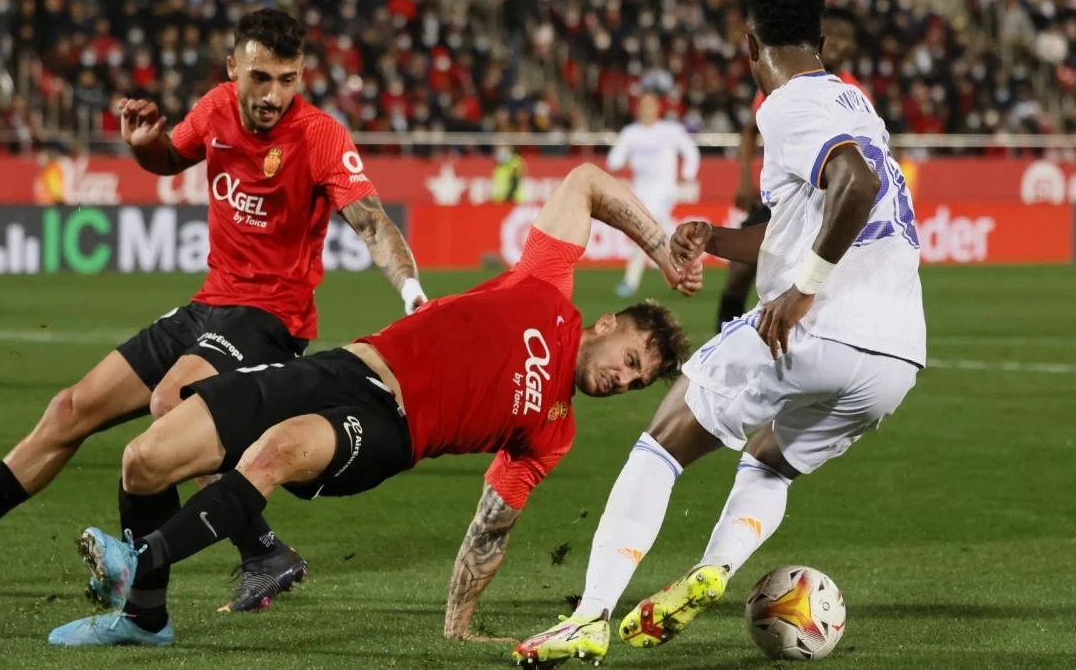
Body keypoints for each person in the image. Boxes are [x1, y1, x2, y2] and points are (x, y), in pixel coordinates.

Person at [0, 8, 426, 614]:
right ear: (233, 68)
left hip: (270, 317)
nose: (274, 95)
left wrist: (410, 290)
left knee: (172, 402)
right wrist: (145, 148)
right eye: (261, 78)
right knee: (71, 408)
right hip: (208, 305)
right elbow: (170, 157)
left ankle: (223, 559)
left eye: (288, 79)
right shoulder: (215, 107)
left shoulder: (320, 136)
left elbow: (371, 222)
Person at [43, 162, 701, 647]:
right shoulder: (547, 285)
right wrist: (661, 249)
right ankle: (145, 617)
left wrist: (459, 623)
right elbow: (585, 181)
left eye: (637, 382)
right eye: (631, 360)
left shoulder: (555, 431)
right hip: (345, 365)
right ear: (607, 325)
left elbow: (491, 525)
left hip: (388, 429)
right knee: (145, 459)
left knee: (275, 452)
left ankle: (140, 562)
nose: (623, 380)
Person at [514, 0, 925, 664]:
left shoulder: (789, 103)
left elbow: (856, 183)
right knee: (770, 461)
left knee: (660, 447)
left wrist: (803, 288)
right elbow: (817, 216)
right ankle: (716, 568)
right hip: (895, 355)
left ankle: (588, 616)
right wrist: (718, 239)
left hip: (818, 325)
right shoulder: (857, 106)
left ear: (750, 45)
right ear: (821, 41)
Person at [719, 6, 865, 331]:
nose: (837, 42)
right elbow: (750, 131)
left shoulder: (856, 93)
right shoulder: (783, 80)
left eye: (845, 37)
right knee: (740, 272)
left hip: (826, 198)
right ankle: (724, 334)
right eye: (833, 34)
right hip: (783, 192)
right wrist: (744, 180)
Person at [609, 91, 700, 299]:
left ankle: (631, 281)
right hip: (640, 191)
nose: (646, 110)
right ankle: (690, 266)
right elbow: (613, 160)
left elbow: (690, 151)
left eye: (650, 106)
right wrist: (623, 159)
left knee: (645, 231)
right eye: (643, 106)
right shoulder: (631, 133)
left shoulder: (670, 131)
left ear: (658, 108)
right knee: (661, 233)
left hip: (664, 191)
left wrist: (687, 174)